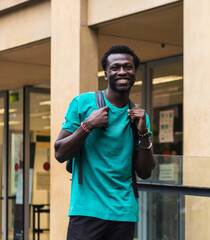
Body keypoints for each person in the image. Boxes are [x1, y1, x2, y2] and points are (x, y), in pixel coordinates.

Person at [54, 45, 155, 240]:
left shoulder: (139, 117)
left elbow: (144, 172)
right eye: (115, 67)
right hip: (86, 212)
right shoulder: (82, 104)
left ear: (135, 73)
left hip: (124, 212)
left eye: (128, 67)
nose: (122, 72)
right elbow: (60, 153)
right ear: (106, 74)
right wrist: (88, 125)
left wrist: (144, 134)